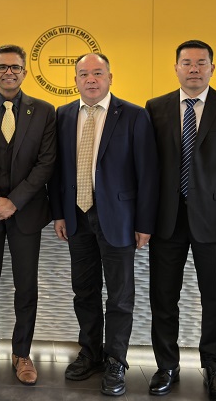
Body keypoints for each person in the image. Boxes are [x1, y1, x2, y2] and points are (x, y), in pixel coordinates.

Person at [146, 40, 216, 400]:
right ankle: (166, 366)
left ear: (212, 68)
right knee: (163, 298)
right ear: (176, 67)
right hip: (166, 220)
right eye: (187, 63)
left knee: (215, 300)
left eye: (201, 63)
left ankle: (213, 368)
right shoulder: (156, 107)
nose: (194, 69)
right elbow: (148, 168)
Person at [49, 53, 159, 396]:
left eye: (98, 73)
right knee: (84, 290)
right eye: (84, 74)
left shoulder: (134, 115)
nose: (91, 79)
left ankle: (116, 360)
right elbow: (57, 170)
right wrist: (59, 213)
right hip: (77, 216)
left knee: (120, 296)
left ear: (110, 77)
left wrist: (144, 222)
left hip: (119, 219)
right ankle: (91, 352)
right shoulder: (64, 115)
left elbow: (148, 173)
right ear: (76, 80)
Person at [0, 44, 56, 385]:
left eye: (15, 67)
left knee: (26, 286)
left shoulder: (44, 111)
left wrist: (14, 201)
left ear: (24, 72)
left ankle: (22, 353)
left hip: (26, 212)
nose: (9, 72)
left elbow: (46, 162)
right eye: (2, 67)